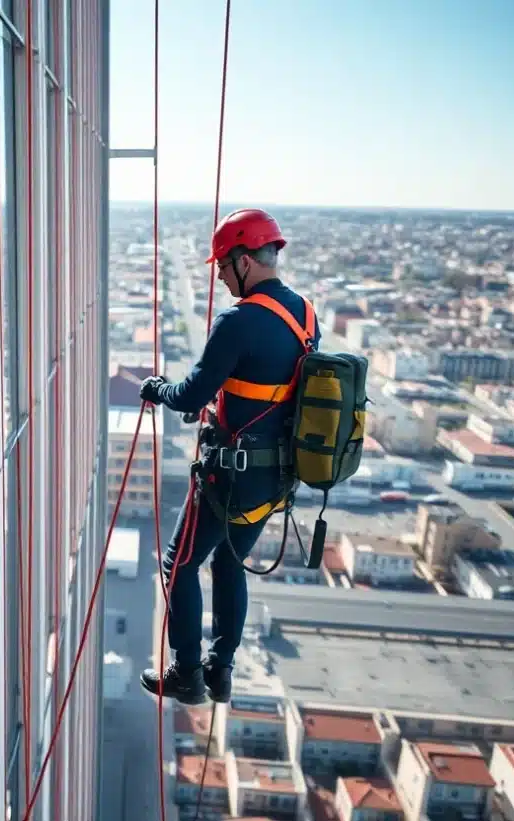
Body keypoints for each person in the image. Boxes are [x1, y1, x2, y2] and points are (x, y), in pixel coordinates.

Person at [137, 208, 320, 704]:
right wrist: (221, 411)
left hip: (230, 475)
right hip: (274, 475)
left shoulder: (238, 320)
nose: (218, 274)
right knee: (230, 561)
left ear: (244, 259)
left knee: (178, 563)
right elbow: (269, 390)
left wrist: (158, 389)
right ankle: (221, 671)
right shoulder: (305, 314)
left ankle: (187, 674)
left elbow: (191, 392)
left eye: (222, 264)